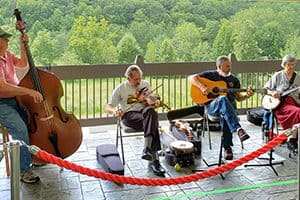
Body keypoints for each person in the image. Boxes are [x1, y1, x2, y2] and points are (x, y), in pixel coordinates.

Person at [189, 55, 254, 160]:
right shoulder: (210, 75)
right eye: (227, 66)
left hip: (228, 111)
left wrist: (247, 95)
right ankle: (238, 129)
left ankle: (227, 148)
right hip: (212, 108)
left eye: (230, 66)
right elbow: (191, 78)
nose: (230, 68)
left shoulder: (234, 80)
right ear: (219, 66)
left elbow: (239, 98)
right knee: (222, 99)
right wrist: (202, 87)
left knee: (225, 114)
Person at [0, 25, 43, 183]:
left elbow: (23, 63)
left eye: (6, 38)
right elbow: (2, 86)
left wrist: (22, 45)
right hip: (1, 104)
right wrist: (27, 91)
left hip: (14, 99)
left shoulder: (7, 55)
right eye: (4, 38)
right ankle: (24, 171)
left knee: (30, 123)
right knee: (20, 128)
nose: (7, 40)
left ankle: (32, 157)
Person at [106, 64, 166, 177]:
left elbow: (151, 100)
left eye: (140, 78)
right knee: (152, 122)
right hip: (129, 115)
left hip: (145, 113)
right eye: (135, 79)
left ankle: (147, 149)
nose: (139, 82)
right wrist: (115, 111)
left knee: (151, 112)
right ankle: (155, 161)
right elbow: (108, 107)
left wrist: (155, 102)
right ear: (128, 79)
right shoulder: (121, 88)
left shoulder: (146, 84)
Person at [263, 54, 299, 153]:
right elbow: (266, 88)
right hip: (282, 104)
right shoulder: (278, 75)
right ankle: (292, 139)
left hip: (295, 101)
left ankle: (290, 137)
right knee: (297, 112)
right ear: (284, 65)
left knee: (297, 110)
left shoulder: (297, 77)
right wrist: (273, 93)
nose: (291, 67)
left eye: (293, 64)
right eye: (289, 64)